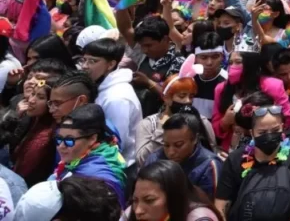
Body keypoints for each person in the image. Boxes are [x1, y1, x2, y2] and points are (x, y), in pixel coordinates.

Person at [214, 93, 290, 221]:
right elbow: (221, 206)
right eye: (262, 132)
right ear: (252, 133)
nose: (269, 136)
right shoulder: (236, 159)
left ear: (283, 127)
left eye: (275, 130)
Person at [212, 40, 290, 151]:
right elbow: (215, 128)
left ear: (250, 64)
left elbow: (287, 120)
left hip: (266, 147)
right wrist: (225, 122)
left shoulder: (272, 86)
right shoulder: (221, 89)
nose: (233, 67)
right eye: (230, 63)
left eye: (238, 62)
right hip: (231, 150)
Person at [79, 38, 143, 167]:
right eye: (84, 60)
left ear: (111, 65)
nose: (85, 66)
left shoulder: (117, 98)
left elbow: (116, 143)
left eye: (92, 61)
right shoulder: (99, 86)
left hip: (116, 165)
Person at [51, 104, 128, 208]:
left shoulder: (97, 180)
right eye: (59, 139)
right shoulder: (78, 156)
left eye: (69, 140)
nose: (61, 146)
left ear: (92, 139)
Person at [136, 74, 216, 164]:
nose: (188, 101)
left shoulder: (201, 121)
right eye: (182, 96)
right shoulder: (149, 124)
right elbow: (142, 160)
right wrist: (161, 130)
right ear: (166, 98)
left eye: (191, 96)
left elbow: (212, 150)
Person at [144, 112, 221, 199]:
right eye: (166, 145)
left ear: (195, 139)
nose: (171, 152)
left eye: (178, 145)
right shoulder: (154, 160)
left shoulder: (209, 166)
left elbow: (212, 207)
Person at [128, 160, 221, 221]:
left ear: (173, 197)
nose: (138, 211)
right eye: (135, 200)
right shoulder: (134, 210)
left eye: (149, 200)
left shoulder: (199, 218)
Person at [10, 73, 57, 186]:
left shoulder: (44, 137)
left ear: (51, 103)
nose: (31, 100)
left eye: (40, 97)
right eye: (33, 94)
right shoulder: (33, 120)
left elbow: (20, 175)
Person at [192, 32, 228, 120]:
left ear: (222, 57)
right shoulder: (189, 79)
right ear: (195, 59)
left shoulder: (228, 82)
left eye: (215, 57)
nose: (209, 63)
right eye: (203, 58)